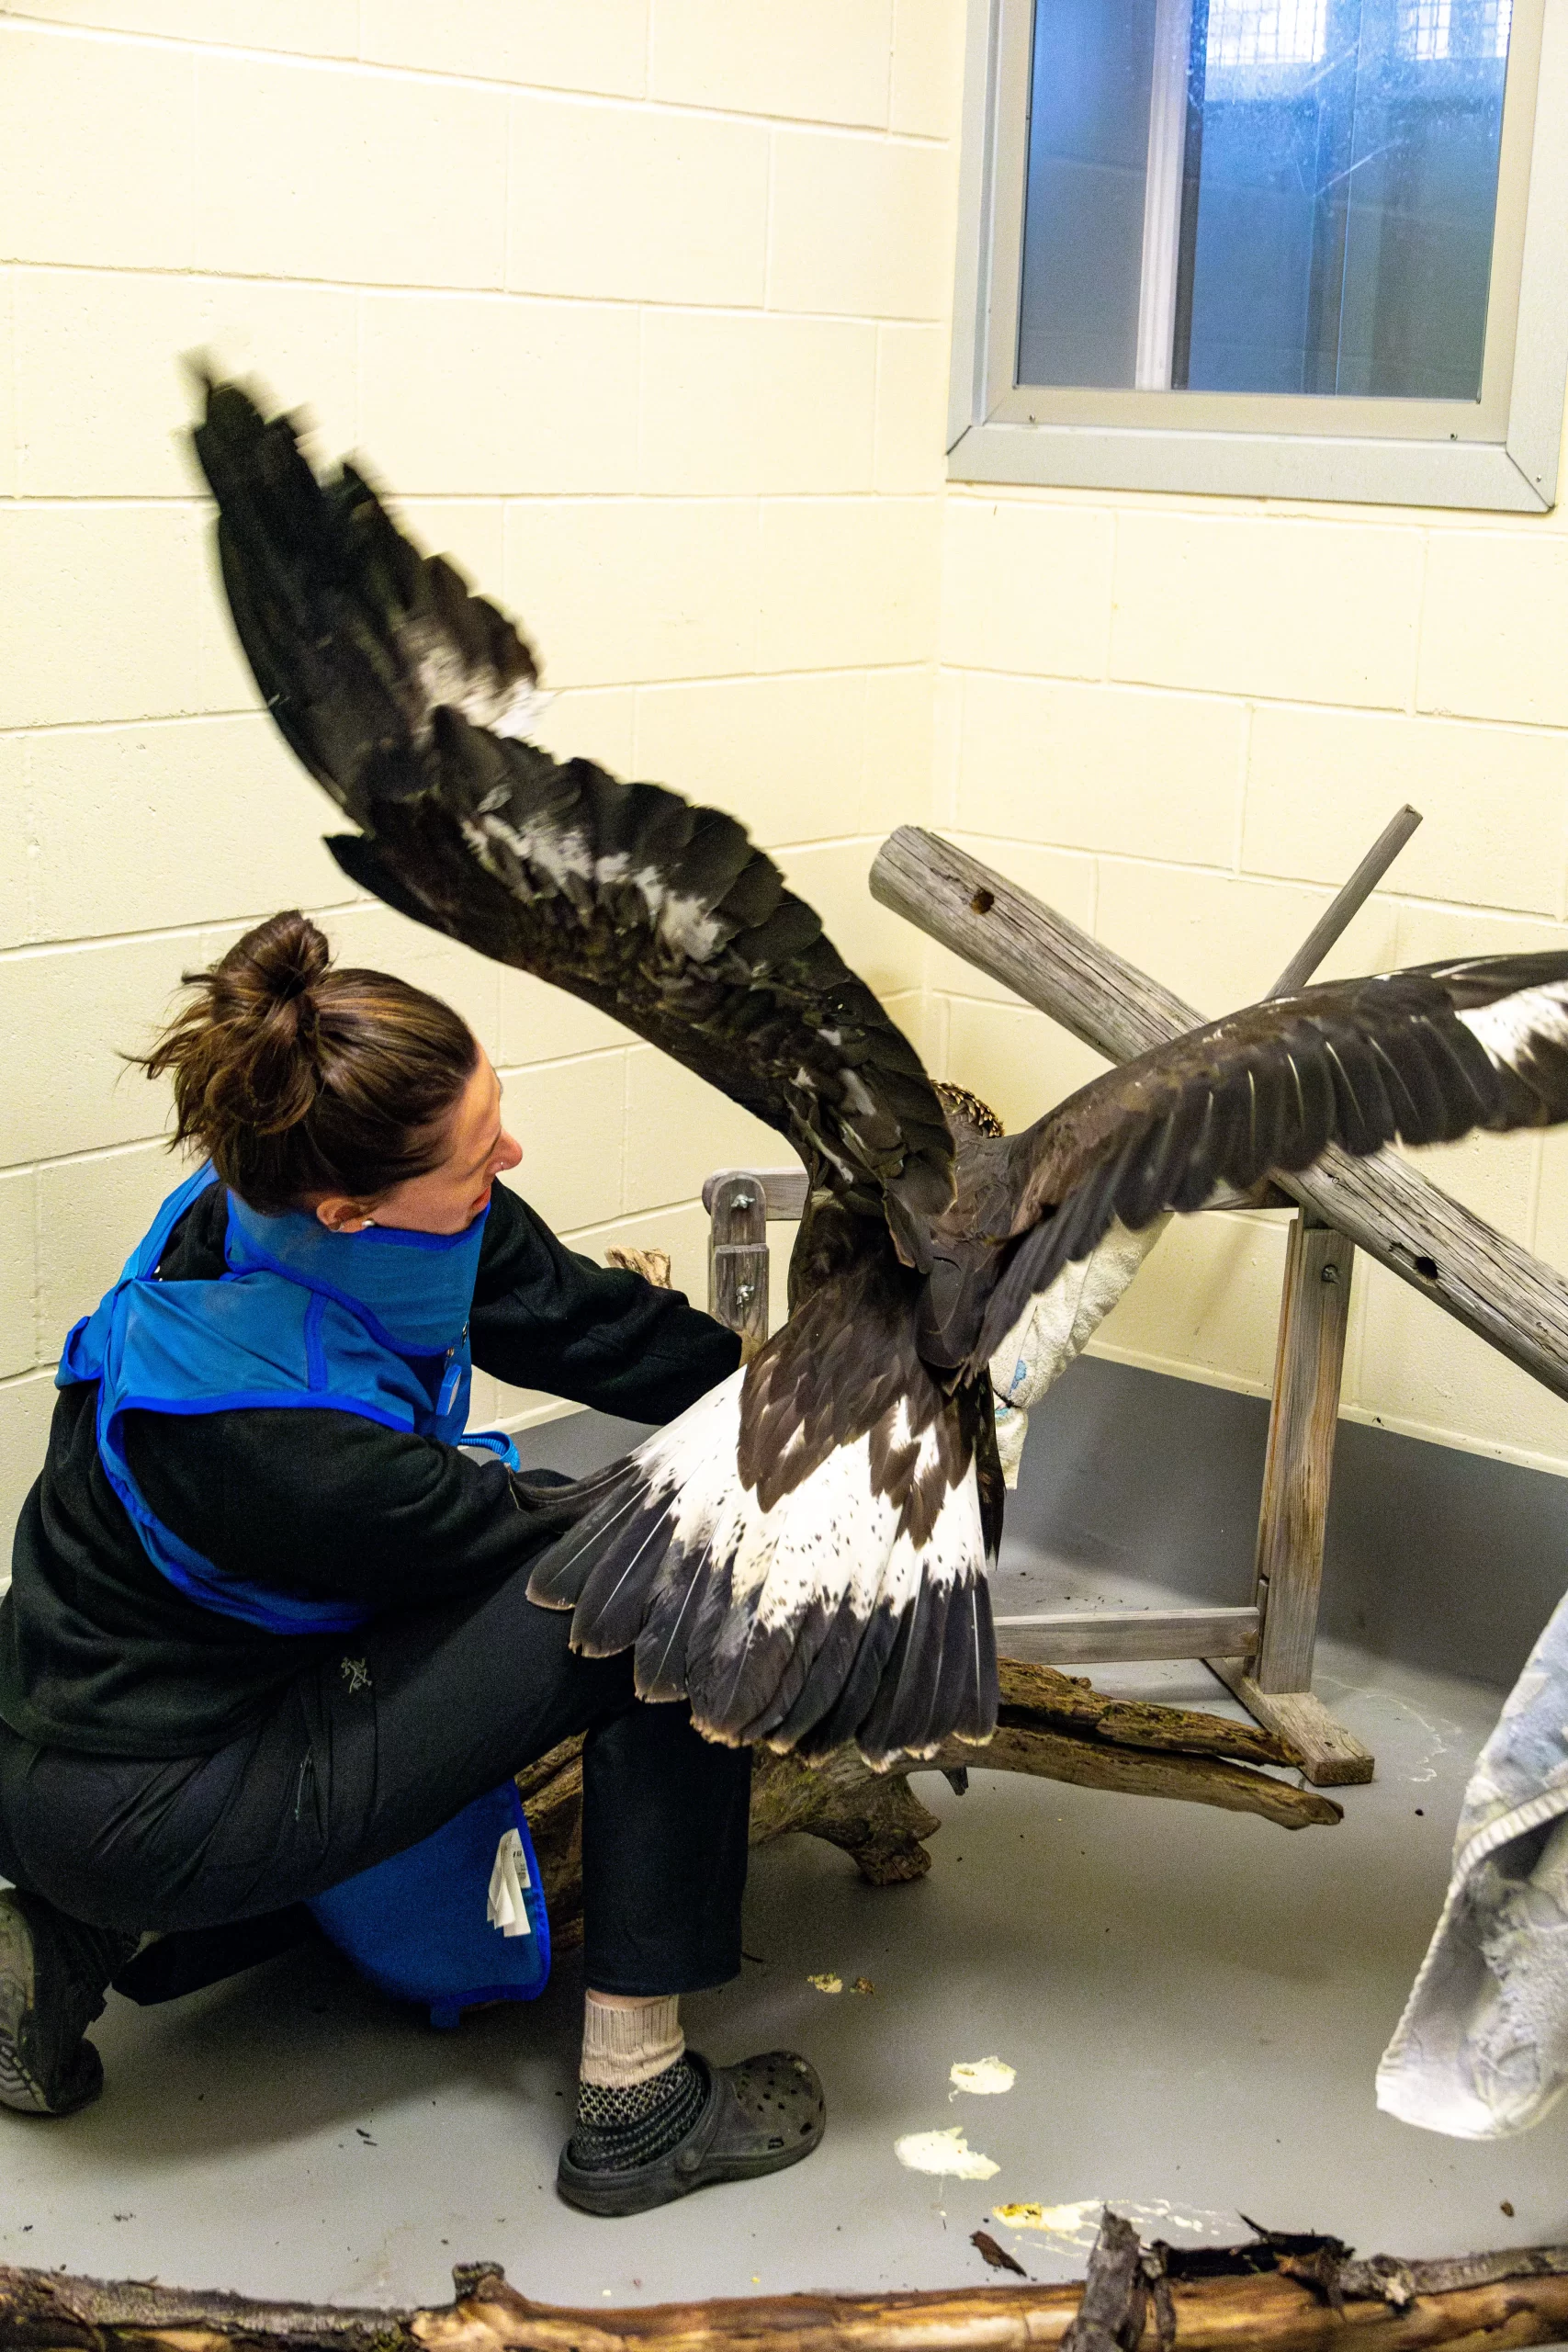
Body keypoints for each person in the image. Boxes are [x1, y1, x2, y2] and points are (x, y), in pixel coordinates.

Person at [0, 910, 824, 2216]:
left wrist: (813, 1400)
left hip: (118, 1713)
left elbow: (594, 1328)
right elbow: (566, 1540)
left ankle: (66, 1939)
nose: (509, 1155)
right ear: (350, 1207)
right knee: (673, 1586)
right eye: (477, 1153)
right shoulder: (269, 1443)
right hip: (153, 1799)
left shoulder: (273, 1201)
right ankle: (638, 2105)